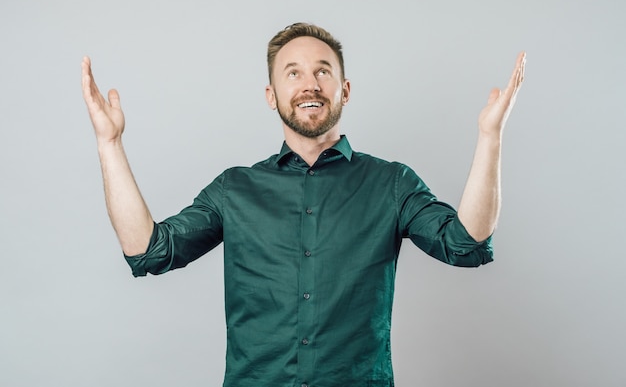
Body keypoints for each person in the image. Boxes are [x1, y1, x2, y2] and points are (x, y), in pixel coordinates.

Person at [81, 22, 525, 387]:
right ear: (271, 95)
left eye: (322, 71)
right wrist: (109, 143)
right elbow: (150, 251)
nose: (309, 84)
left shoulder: (391, 183)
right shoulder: (235, 189)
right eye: (292, 72)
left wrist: (490, 137)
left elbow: (466, 244)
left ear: (345, 89)